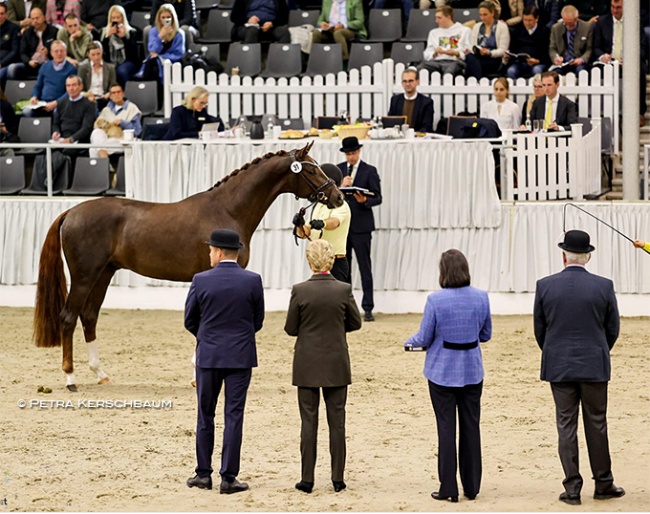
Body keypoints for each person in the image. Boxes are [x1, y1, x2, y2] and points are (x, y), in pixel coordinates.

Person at [533, 229, 624, 506]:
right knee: (597, 424)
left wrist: (555, 350)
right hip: (594, 363)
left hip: (559, 364)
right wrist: (597, 350)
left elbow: (540, 329)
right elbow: (613, 328)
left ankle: (572, 487)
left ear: (564, 255)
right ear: (588, 257)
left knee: (566, 425)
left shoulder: (545, 285)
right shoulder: (604, 286)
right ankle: (603, 482)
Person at [404, 249, 492, 503]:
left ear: (443, 272)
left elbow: (424, 337)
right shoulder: (481, 297)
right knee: (471, 426)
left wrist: (408, 343)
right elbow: (485, 335)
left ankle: (448, 488)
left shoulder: (435, 300)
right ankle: (472, 486)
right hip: (472, 370)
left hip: (442, 371)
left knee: (446, 428)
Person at [185, 228, 264, 494]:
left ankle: (203, 474)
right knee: (234, 416)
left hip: (209, 356)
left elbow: (190, 320)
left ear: (218, 252)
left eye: (210, 250)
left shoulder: (200, 280)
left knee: (205, 415)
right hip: (240, 356)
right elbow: (257, 321)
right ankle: (229, 478)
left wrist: (207, 337)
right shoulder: (253, 280)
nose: (209, 254)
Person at [284, 239, 362, 495]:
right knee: (337, 422)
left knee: (308, 422)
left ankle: (307, 478)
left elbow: (291, 328)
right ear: (330, 261)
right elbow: (355, 323)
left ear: (309, 261)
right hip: (336, 362)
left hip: (307, 362)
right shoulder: (343, 289)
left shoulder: (300, 290)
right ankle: (337, 478)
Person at [338, 136, 382, 322]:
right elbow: (329, 194)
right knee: (343, 268)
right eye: (348, 154)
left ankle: (368, 307)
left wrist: (365, 201)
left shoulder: (369, 171)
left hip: (362, 226)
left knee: (365, 267)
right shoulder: (338, 170)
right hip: (342, 227)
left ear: (359, 151)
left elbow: (378, 197)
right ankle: (346, 307)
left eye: (353, 153)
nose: (351, 157)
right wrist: (341, 187)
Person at [292, 164, 352, 282]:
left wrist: (322, 223)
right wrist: (299, 225)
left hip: (335, 262)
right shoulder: (318, 205)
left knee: (335, 299)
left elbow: (334, 222)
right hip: (318, 261)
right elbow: (306, 233)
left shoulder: (341, 205)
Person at [593, 0, 648, 127]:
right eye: (612, 7)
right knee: (594, 70)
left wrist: (630, 58)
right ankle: (601, 112)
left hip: (628, 61)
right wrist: (602, 56)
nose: (615, 10)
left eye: (618, 8)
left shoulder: (634, 21)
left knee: (641, 69)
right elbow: (596, 47)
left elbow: (642, 47)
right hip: (609, 62)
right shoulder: (602, 22)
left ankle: (639, 113)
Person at [89, 83, 142, 158]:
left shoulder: (132, 108)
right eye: (113, 93)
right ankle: (106, 164)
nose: (116, 94)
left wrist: (123, 123)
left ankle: (104, 167)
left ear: (123, 94)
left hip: (123, 139)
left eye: (119, 92)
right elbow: (98, 124)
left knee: (94, 148)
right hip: (108, 138)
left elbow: (137, 131)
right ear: (110, 96)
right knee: (96, 132)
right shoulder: (107, 109)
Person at [136, 3, 185, 82]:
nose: (166, 20)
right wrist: (160, 37)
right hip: (155, 61)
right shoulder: (153, 31)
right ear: (159, 18)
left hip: (172, 62)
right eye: (163, 17)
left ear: (173, 18)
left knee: (155, 64)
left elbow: (178, 54)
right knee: (152, 65)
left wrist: (161, 57)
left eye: (168, 17)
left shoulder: (179, 34)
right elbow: (152, 50)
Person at [6, 7, 58, 80]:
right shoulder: (27, 33)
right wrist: (29, 61)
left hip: (48, 64)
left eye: (37, 18)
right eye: (33, 19)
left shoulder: (54, 31)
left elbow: (60, 51)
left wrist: (48, 52)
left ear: (43, 18)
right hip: (31, 64)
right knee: (12, 68)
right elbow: (22, 52)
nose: (35, 21)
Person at [418, 6, 471, 78]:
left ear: (448, 17)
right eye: (436, 18)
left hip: (454, 61)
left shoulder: (464, 31)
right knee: (420, 69)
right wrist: (434, 53)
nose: (436, 21)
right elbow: (427, 53)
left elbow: (469, 51)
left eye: (439, 18)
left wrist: (457, 53)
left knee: (449, 72)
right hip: (436, 62)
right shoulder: (434, 32)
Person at [29, 40, 77, 114]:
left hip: (60, 103)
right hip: (43, 102)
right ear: (51, 53)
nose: (59, 54)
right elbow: (38, 85)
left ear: (66, 52)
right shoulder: (45, 66)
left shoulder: (71, 69)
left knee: (56, 112)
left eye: (62, 51)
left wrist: (56, 103)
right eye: (56, 51)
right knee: (27, 112)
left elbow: (70, 92)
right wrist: (34, 96)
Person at [465, 1, 510, 80]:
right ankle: (479, 81)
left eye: (485, 15)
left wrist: (489, 53)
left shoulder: (502, 27)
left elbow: (503, 50)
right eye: (480, 15)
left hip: (494, 59)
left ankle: (477, 82)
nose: (482, 18)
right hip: (479, 57)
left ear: (492, 13)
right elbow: (472, 45)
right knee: (469, 57)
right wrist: (477, 50)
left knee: (471, 66)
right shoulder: (477, 26)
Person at [504, 6, 550, 80]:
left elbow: (547, 51)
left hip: (538, 63)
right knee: (511, 71)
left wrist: (538, 60)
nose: (527, 23)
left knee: (537, 71)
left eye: (530, 20)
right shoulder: (517, 30)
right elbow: (513, 49)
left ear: (536, 19)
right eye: (525, 20)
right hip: (520, 63)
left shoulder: (545, 31)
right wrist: (508, 56)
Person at [100, 5, 140, 87]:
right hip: (109, 61)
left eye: (118, 17)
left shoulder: (132, 32)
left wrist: (124, 38)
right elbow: (103, 53)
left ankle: (127, 93)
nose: (116, 20)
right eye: (113, 18)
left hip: (128, 61)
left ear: (123, 18)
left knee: (121, 71)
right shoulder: (104, 32)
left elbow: (133, 54)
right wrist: (108, 37)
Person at [51, 74, 97, 145]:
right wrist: (56, 132)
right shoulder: (61, 102)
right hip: (61, 139)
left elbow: (86, 128)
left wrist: (71, 139)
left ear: (81, 86)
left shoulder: (89, 105)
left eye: (74, 85)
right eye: (68, 86)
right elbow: (55, 124)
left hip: (78, 140)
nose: (71, 88)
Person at [549, 5, 593, 75]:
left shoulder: (586, 28)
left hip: (579, 63)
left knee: (581, 72)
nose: (567, 26)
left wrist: (582, 59)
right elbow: (552, 48)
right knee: (555, 74)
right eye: (565, 23)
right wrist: (556, 58)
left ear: (576, 19)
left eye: (570, 23)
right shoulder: (556, 28)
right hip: (562, 63)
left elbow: (589, 49)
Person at [388, 68, 434, 133]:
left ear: (417, 82)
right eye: (405, 81)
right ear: (402, 83)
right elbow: (390, 122)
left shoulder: (426, 102)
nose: (407, 84)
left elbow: (427, 127)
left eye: (410, 81)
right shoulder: (395, 100)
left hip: (418, 139)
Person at [78, 41, 117, 109]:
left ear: (102, 53)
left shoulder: (110, 68)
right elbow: (79, 88)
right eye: (93, 55)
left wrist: (109, 94)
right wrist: (87, 94)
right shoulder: (83, 68)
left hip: (104, 99)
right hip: (88, 99)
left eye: (98, 54)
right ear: (88, 54)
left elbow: (113, 86)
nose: (96, 57)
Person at [0, 3, 21, 87]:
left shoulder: (13, 28)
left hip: (6, 63)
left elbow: (14, 51)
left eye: (2, 14)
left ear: (6, 15)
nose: (0, 16)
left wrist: (1, 63)